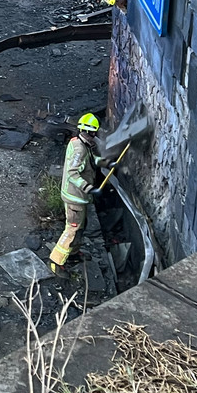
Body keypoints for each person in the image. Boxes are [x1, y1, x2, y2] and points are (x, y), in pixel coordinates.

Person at [49, 113, 110, 278]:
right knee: (72, 229)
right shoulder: (80, 149)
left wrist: (106, 163)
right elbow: (72, 174)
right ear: (90, 132)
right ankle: (56, 261)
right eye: (94, 133)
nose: (95, 136)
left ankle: (73, 253)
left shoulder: (80, 143)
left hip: (79, 197)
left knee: (81, 227)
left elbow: (90, 162)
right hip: (74, 197)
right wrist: (89, 188)